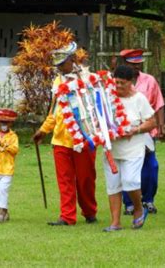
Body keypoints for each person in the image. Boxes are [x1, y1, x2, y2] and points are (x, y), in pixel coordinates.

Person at [33, 41, 98, 226]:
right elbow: (55, 110)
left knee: (86, 179)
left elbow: (95, 108)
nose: (60, 68)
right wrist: (43, 130)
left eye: (62, 64)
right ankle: (67, 216)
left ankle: (89, 211)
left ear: (72, 60)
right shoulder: (58, 81)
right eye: (58, 65)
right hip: (61, 139)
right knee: (64, 180)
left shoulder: (87, 78)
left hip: (84, 137)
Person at [102, 64, 157, 232]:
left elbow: (152, 121)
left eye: (122, 83)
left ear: (131, 82)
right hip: (112, 148)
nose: (118, 86)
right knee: (113, 185)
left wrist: (136, 129)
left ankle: (139, 208)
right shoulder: (107, 97)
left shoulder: (139, 98)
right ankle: (115, 222)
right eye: (116, 82)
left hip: (133, 147)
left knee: (130, 182)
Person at [120, 49, 165, 215]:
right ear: (125, 63)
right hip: (126, 132)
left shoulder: (150, 80)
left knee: (151, 166)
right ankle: (129, 203)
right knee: (127, 167)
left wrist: (161, 125)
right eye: (133, 64)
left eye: (139, 63)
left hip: (146, 130)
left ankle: (148, 200)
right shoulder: (118, 82)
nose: (137, 66)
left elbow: (159, 103)